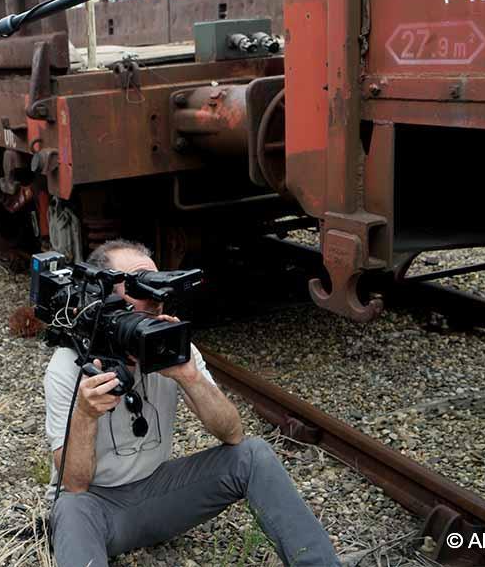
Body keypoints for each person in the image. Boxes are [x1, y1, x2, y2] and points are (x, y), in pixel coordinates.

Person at [43, 239, 339, 567]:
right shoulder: (67, 366)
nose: (155, 301)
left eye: (157, 288)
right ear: (105, 298)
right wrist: (85, 414)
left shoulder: (171, 346)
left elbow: (232, 434)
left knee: (252, 455)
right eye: (139, 289)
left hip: (159, 494)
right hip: (98, 511)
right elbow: (75, 484)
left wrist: (189, 376)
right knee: (70, 507)